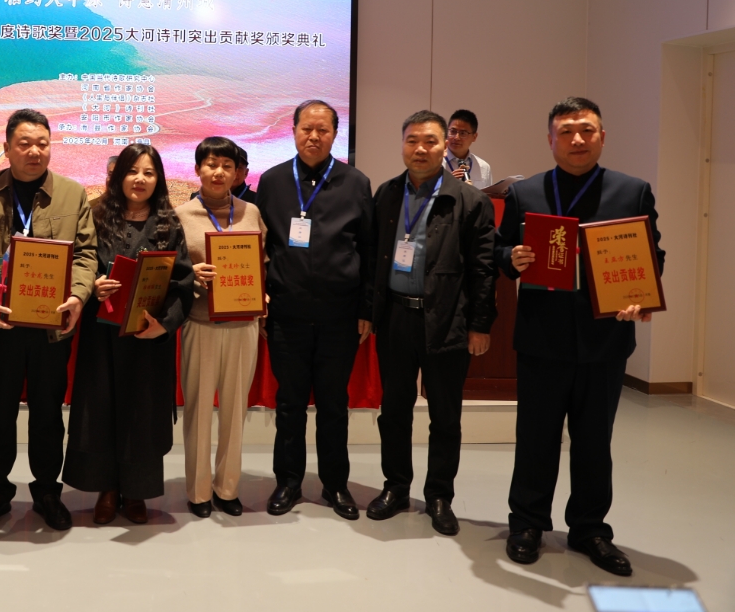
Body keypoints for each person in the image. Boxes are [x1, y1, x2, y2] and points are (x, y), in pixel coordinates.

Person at [496, 97, 661, 577]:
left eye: (586, 130)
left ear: (602, 137)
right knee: (536, 439)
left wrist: (641, 298)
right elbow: (499, 249)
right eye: (566, 131)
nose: (577, 139)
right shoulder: (525, 192)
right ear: (550, 139)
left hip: (604, 341)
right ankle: (527, 523)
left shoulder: (632, 191)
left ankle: (590, 529)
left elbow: (652, 255)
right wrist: (512, 259)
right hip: (541, 340)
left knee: (594, 442)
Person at [0, 109, 97, 532]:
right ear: (6, 148)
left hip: (50, 327)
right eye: (24, 143)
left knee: (47, 413)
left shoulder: (72, 194)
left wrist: (78, 296)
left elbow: (86, 254)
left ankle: (47, 492)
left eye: (42, 143)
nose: (34, 151)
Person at [366, 111, 497, 535]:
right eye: (411, 141)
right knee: (394, 410)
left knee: (445, 414)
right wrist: (368, 312)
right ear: (402, 144)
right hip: (395, 318)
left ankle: (439, 495)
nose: (419, 149)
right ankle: (395, 487)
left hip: (446, 319)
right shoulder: (386, 194)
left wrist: (480, 324)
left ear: (446, 146)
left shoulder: (470, 201)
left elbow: (483, 270)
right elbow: (373, 259)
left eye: (429, 141)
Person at [255, 100, 374, 520]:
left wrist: (366, 308)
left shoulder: (356, 182)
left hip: (339, 314)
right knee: (289, 403)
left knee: (333, 404)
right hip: (286, 313)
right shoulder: (272, 181)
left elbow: (369, 248)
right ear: (293, 130)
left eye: (323, 130)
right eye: (307, 128)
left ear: (334, 135)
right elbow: (260, 247)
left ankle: (335, 484)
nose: (314, 136)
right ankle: (288, 482)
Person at [63, 144, 193, 524]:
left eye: (149, 172)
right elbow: (80, 263)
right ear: (118, 176)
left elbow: (183, 283)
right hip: (102, 336)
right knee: (101, 409)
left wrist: (163, 325)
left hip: (146, 339)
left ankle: (136, 491)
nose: (140, 179)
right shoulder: (96, 215)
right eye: (132, 171)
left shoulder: (169, 223)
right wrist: (93, 286)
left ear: (159, 179)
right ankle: (106, 488)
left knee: (142, 413)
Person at [176, 137, 267, 517]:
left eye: (227, 166)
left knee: (234, 411)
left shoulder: (251, 212)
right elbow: (171, 271)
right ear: (198, 169)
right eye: (211, 164)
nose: (219, 172)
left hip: (244, 325)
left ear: (238, 173)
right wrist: (190, 274)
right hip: (201, 323)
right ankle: (198, 492)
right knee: (198, 411)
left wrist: (263, 291)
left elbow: (263, 261)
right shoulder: (181, 215)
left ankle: (227, 488)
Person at [444, 109, 493, 188]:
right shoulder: (435, 163)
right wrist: (445, 185)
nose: (456, 137)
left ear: (474, 137)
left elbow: (486, 195)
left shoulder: (483, 167)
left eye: (463, 133)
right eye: (453, 131)